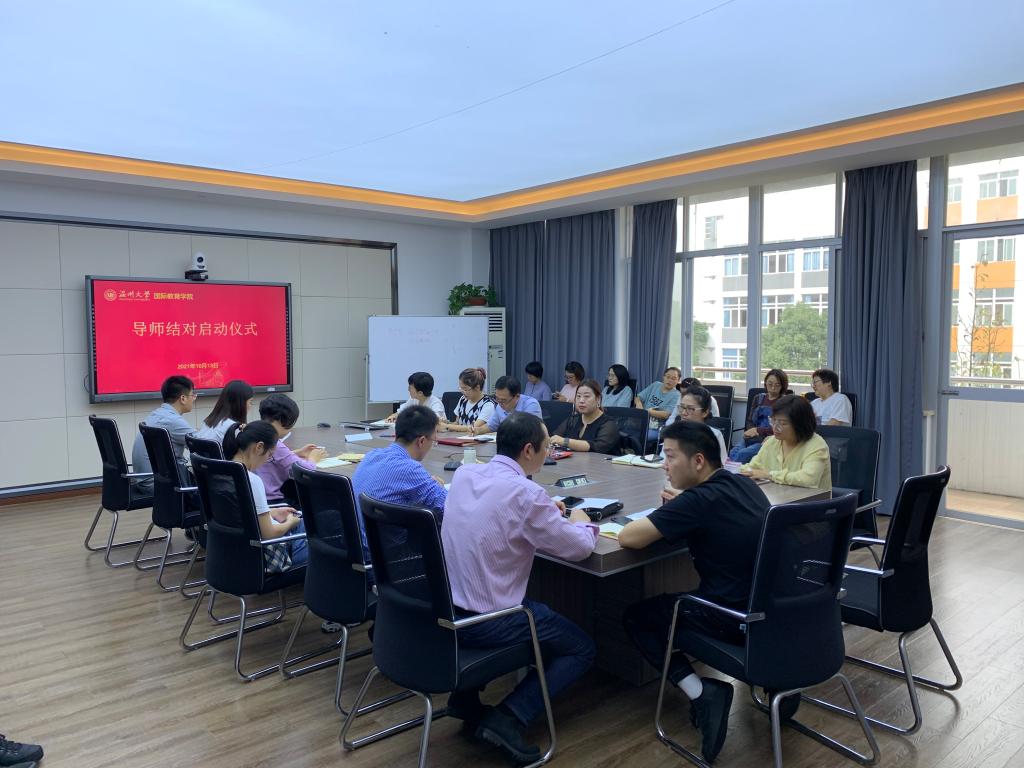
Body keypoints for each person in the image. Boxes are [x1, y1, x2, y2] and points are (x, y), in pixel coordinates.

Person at [442, 412, 598, 763]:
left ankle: (464, 699)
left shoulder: (466, 474)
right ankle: (509, 717)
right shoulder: (526, 493)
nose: (548, 453)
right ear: (529, 450)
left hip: (447, 609)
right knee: (581, 648)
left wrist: (544, 510)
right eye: (546, 447)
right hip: (490, 620)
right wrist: (581, 521)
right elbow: (578, 548)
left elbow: (498, 511)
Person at [617, 421, 772, 764]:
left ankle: (702, 693)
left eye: (670, 456)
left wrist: (680, 508)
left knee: (638, 618)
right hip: (771, 611)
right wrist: (685, 504)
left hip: (729, 617)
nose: (665, 465)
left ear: (698, 461)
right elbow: (713, 511)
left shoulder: (698, 501)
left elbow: (629, 538)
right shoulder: (741, 484)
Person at [352, 404, 448, 551]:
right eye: (433, 441)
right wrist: (438, 487)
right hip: (391, 558)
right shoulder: (409, 469)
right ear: (421, 441)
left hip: (359, 548)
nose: (432, 445)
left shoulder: (372, 455)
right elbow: (447, 507)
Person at [223, 421, 308, 572]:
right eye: (270, 455)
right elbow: (269, 534)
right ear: (259, 447)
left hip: (230, 555)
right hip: (262, 560)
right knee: (320, 532)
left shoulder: (220, 470)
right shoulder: (251, 480)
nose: (267, 460)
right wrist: (290, 522)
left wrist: (271, 512)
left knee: (303, 522)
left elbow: (237, 512)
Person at [741, 395, 832, 490]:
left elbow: (808, 479)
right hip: (777, 496)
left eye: (783, 423)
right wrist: (735, 470)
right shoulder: (772, 442)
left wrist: (769, 475)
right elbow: (753, 467)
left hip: (809, 499)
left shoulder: (817, 445)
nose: (775, 427)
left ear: (800, 425)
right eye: (773, 420)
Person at [131, 375, 198, 494]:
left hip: (149, 480)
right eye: (193, 395)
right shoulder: (173, 421)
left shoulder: (158, 414)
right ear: (183, 398)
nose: (194, 398)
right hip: (158, 484)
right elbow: (201, 444)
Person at [254, 393, 327, 502]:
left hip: (258, 497)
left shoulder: (256, 434)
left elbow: (274, 458)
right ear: (281, 420)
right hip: (274, 500)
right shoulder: (275, 444)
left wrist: (297, 452)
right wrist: (313, 458)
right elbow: (305, 471)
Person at [729, 369, 788, 463]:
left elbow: (781, 427)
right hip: (753, 436)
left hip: (770, 439)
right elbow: (750, 421)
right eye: (770, 384)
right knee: (733, 452)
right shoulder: (758, 398)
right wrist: (752, 431)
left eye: (777, 385)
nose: (773, 388)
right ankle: (736, 471)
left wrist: (758, 430)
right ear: (765, 383)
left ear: (782, 386)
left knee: (743, 454)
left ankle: (736, 472)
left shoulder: (785, 402)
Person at [549, 378, 621, 455]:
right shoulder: (573, 420)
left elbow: (597, 447)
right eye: (578, 396)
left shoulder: (609, 424)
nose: (581, 400)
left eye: (586, 396)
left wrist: (565, 442)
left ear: (598, 399)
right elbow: (554, 437)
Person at [665, 386, 728, 463]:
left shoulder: (714, 435)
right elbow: (664, 462)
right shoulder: (672, 433)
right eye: (682, 407)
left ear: (705, 412)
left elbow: (720, 465)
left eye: (690, 409)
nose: (684, 413)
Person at [475, 376, 542, 435]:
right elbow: (491, 426)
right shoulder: (500, 405)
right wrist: (477, 430)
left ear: (517, 396)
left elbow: (529, 432)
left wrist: (500, 433)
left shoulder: (531, 405)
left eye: (503, 400)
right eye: (497, 398)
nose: (500, 403)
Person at [634, 367, 683, 444]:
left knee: (638, 436)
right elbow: (638, 397)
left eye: (673, 378)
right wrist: (639, 404)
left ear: (678, 380)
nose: (670, 380)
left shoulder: (677, 395)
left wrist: (646, 412)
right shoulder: (655, 385)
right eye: (668, 377)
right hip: (640, 422)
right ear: (663, 377)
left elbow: (666, 414)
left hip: (657, 428)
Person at [196, 379, 253, 444]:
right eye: (250, 402)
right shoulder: (234, 428)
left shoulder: (209, 421)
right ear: (240, 403)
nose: (251, 406)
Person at [443, 367, 495, 433]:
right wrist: (444, 423)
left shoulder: (488, 404)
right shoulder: (463, 399)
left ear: (477, 387)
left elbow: (473, 427)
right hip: (459, 438)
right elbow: (457, 423)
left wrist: (447, 426)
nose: (462, 391)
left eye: (465, 389)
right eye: (460, 388)